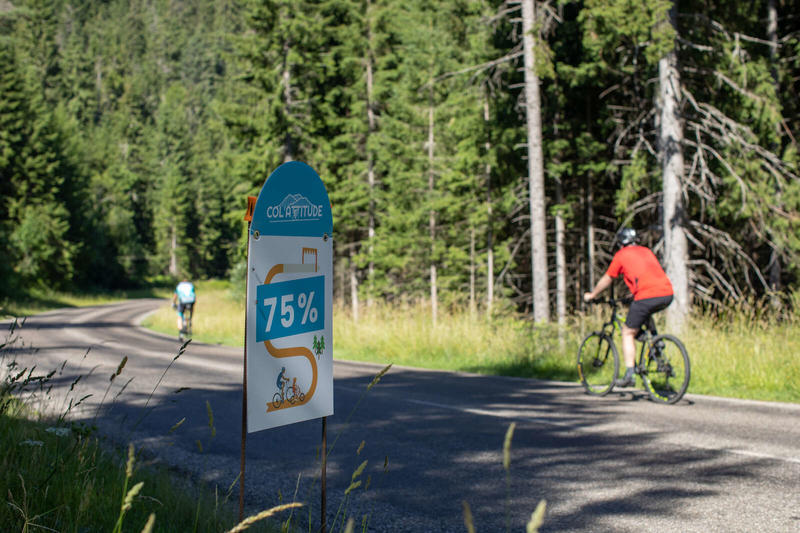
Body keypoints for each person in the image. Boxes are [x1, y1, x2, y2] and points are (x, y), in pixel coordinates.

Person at [583, 228, 673, 387]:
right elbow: (647, 274)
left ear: (621, 243)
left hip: (646, 296)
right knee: (644, 312)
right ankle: (655, 342)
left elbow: (608, 278)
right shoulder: (646, 251)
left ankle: (629, 375)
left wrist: (593, 294)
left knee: (627, 332)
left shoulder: (621, 255)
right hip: (667, 293)